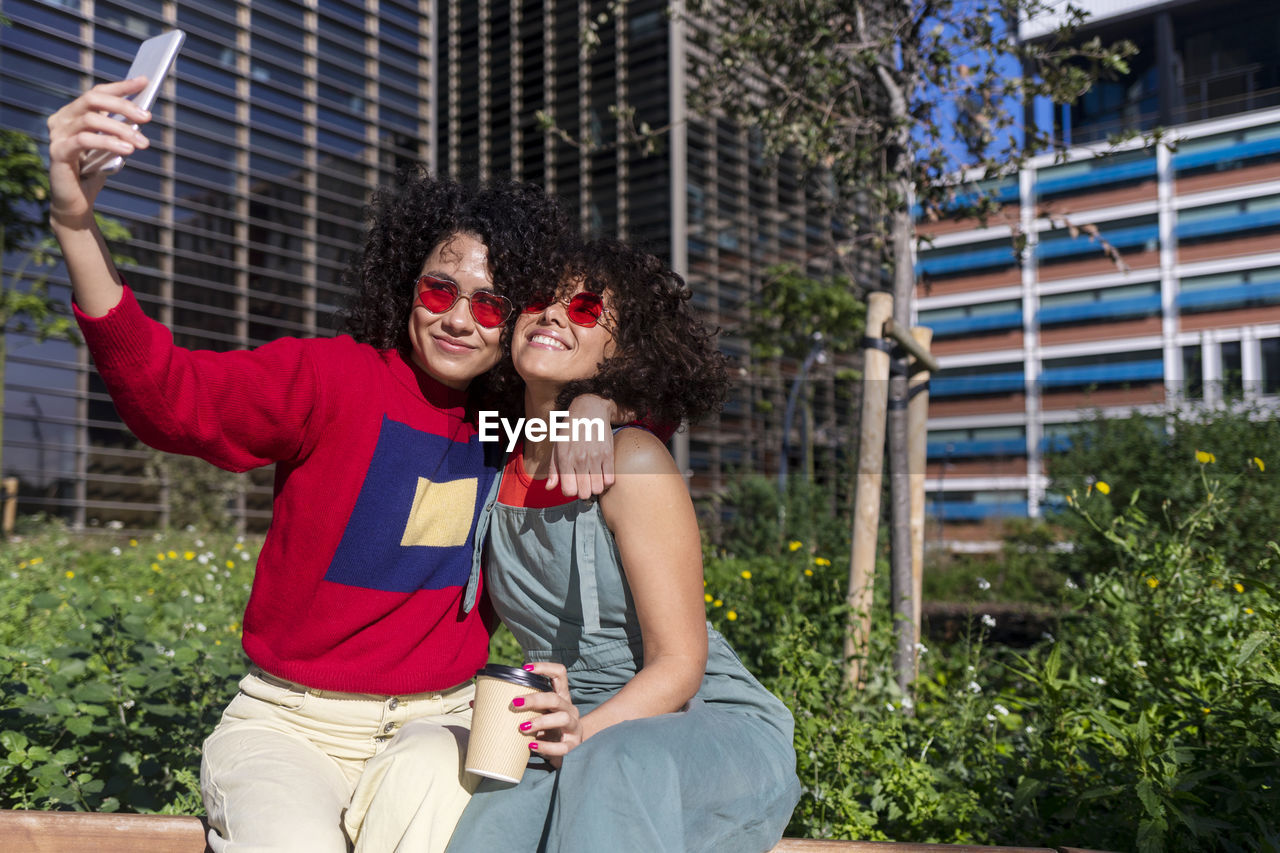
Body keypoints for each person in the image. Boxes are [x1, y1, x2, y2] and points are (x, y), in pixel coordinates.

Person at [46, 78, 620, 853]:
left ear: (519, 317)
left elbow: (651, 410)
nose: (457, 316)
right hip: (287, 723)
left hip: (442, 723)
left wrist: (597, 405)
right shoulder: (330, 379)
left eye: (490, 304)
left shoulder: (510, 420)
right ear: (406, 284)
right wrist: (75, 223)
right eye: (440, 288)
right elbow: (166, 395)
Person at [445, 238, 801, 853]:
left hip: (689, 719)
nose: (554, 314)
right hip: (564, 718)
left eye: (585, 310)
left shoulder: (632, 458)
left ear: (622, 348)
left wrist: (586, 729)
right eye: (538, 300)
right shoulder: (493, 465)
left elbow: (681, 666)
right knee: (488, 828)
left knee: (613, 769)